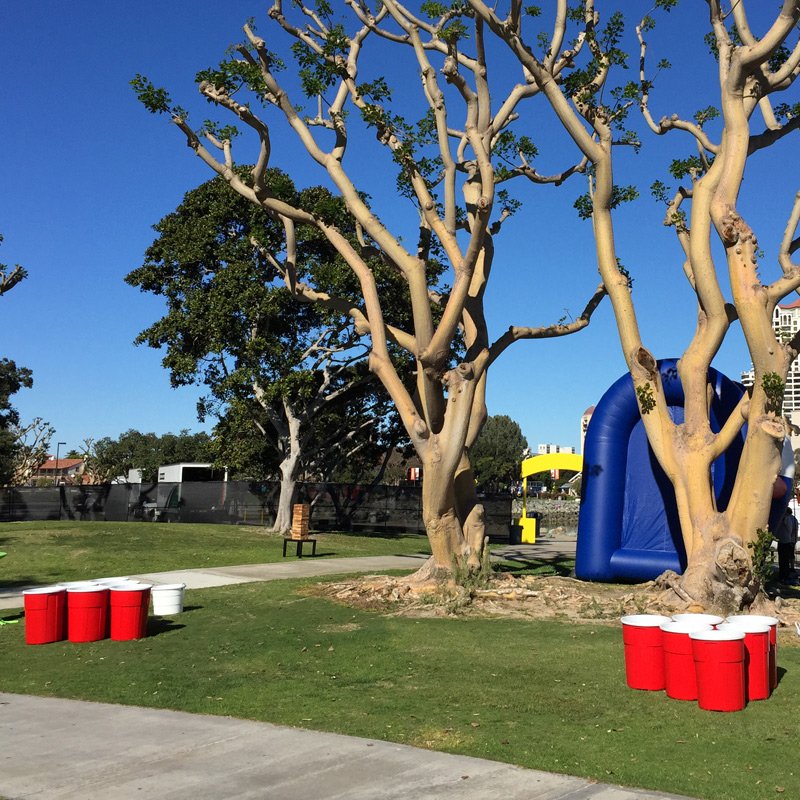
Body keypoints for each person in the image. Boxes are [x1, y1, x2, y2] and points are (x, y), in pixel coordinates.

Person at [774, 505, 798, 584]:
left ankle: (785, 575)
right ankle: (783, 575)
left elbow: (790, 529)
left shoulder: (787, 519)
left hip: (786, 541)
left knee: (785, 559)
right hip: (782, 541)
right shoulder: (786, 519)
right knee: (782, 560)